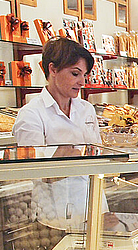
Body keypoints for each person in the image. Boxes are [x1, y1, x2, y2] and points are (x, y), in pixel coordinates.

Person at [13, 37, 116, 230]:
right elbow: (34, 172)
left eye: (84, 75)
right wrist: (67, 159)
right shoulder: (31, 114)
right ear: (52, 69)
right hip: (55, 216)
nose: (82, 82)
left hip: (94, 207)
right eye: (75, 74)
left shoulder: (86, 109)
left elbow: (97, 154)